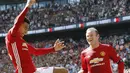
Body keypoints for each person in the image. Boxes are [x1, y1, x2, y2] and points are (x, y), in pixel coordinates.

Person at [5, 0, 68, 73]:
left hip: (35, 71)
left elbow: (36, 51)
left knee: (63, 71)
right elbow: (18, 21)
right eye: (25, 27)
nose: (26, 31)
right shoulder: (11, 37)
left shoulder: (21, 41)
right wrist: (27, 6)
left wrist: (53, 49)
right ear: (19, 25)